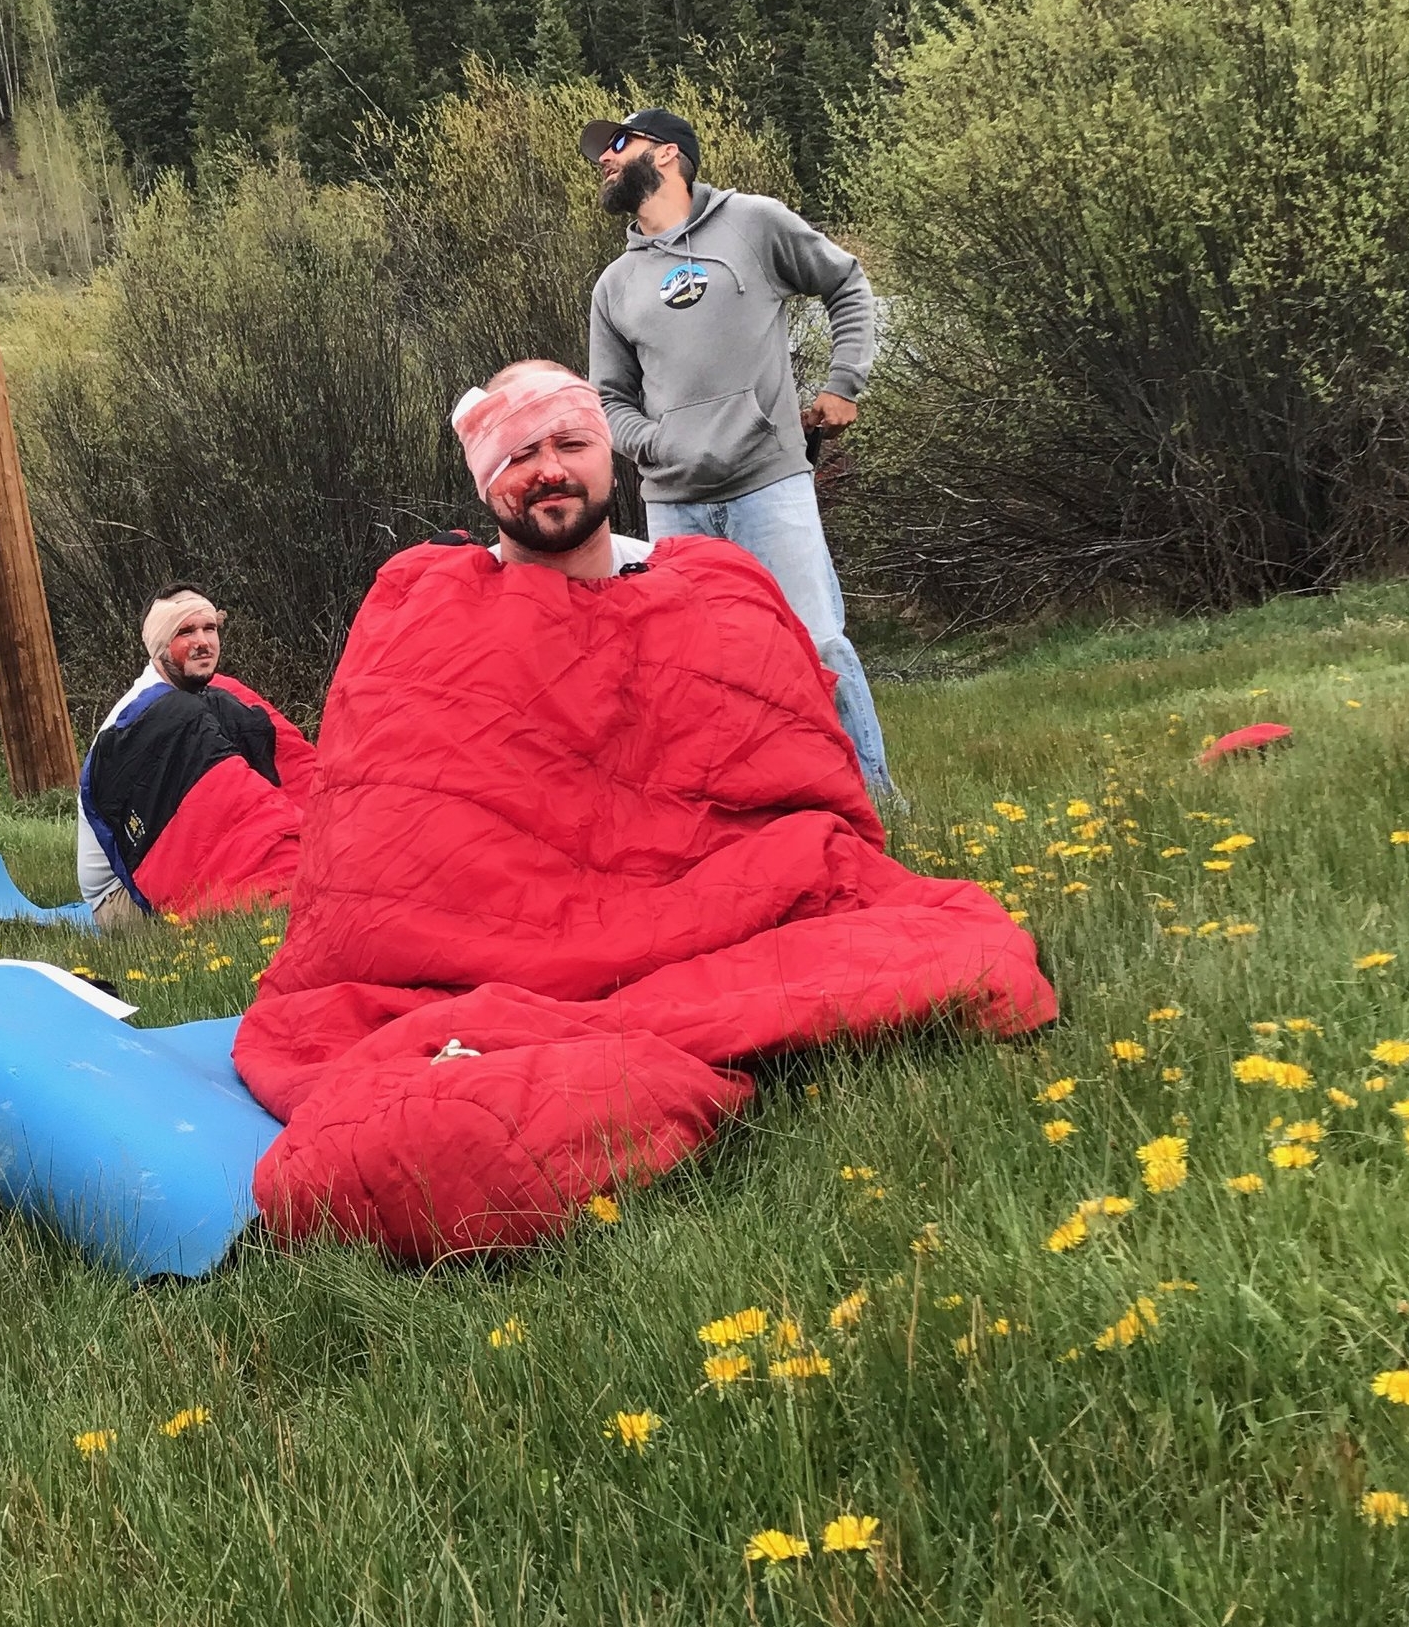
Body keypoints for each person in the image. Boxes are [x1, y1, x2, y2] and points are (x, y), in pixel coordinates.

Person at [228, 363, 1055, 1261]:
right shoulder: (424, 606)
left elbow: (788, 774)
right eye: (520, 455)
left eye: (571, 445)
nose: (549, 469)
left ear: (609, 457)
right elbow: (387, 828)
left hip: (719, 910)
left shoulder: (713, 587)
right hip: (481, 960)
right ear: (485, 480)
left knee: (946, 949)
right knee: (398, 1148)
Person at [583, 105, 897, 807]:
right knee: (694, 670)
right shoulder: (614, 287)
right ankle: (742, 811)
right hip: (674, 504)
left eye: (616, 144)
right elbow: (608, 400)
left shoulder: (753, 223)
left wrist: (843, 383)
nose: (602, 159)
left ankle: (874, 801)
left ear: (666, 155)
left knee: (815, 647)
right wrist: (655, 444)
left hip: (768, 482)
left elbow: (846, 284)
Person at [77, 587, 318, 927]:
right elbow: (216, 805)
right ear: (161, 645)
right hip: (125, 895)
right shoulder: (144, 718)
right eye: (186, 632)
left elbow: (291, 767)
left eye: (210, 628)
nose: (203, 641)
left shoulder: (209, 695)